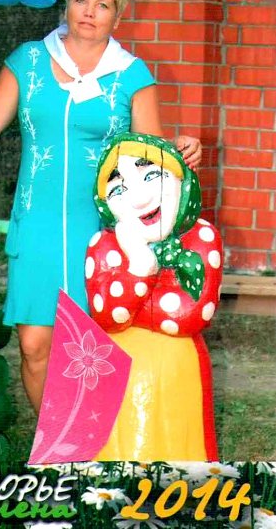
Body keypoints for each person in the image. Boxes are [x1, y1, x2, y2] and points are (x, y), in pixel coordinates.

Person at [0, 0, 202, 414]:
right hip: (38, 223)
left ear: (117, 16)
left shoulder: (133, 75)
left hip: (106, 231)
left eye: (103, 5)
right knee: (34, 345)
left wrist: (184, 149)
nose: (89, 12)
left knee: (98, 346)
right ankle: (54, 443)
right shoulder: (28, 60)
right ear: (67, 5)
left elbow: (150, 154)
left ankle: (96, 439)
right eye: (80, 0)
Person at [85, 132, 223, 460]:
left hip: (179, 366)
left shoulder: (201, 237)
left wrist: (132, 301)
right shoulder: (103, 245)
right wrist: (141, 264)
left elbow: (191, 315)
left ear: (181, 179)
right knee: (117, 447)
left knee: (182, 442)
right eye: (119, 190)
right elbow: (105, 316)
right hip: (116, 367)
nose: (139, 199)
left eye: (151, 176)